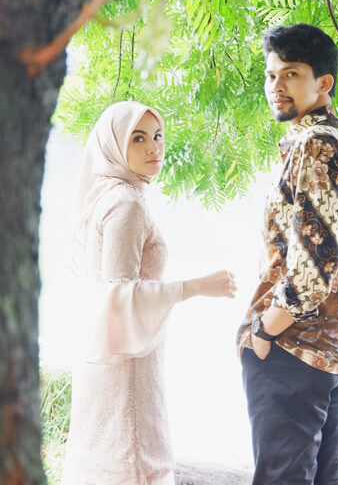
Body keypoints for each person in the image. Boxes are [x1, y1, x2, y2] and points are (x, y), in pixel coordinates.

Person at [61, 101, 236, 485]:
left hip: (103, 353)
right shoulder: (126, 203)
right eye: (137, 138)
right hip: (127, 360)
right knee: (135, 461)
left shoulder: (103, 195)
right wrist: (198, 286)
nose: (154, 147)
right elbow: (119, 293)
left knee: (104, 458)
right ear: (114, 145)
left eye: (157, 136)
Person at [237, 23, 338, 485]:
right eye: (271, 74)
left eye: (291, 74)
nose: (276, 85)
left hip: (296, 347)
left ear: (324, 83)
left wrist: (264, 329)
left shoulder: (316, 145)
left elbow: (312, 270)